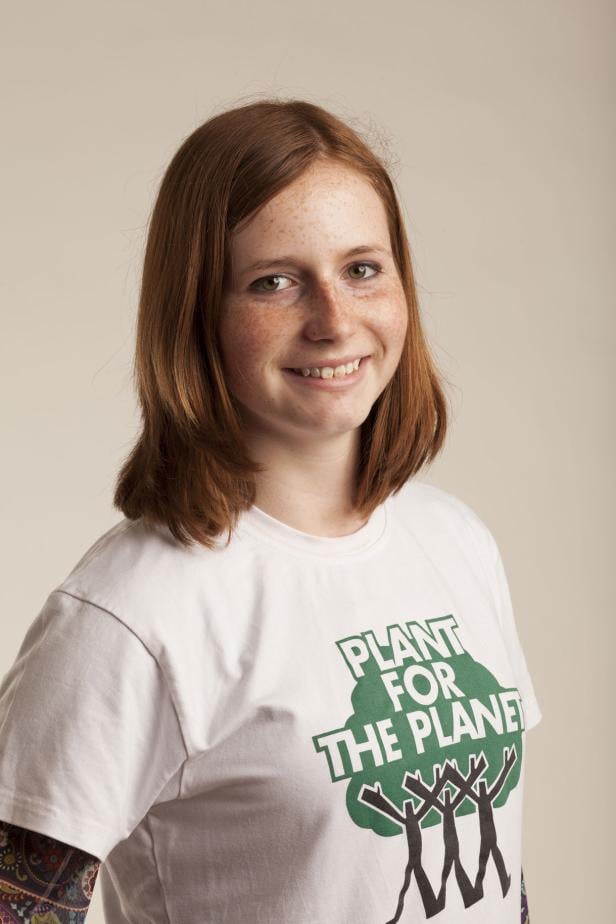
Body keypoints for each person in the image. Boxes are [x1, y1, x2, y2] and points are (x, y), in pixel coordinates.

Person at [0, 98, 540, 923]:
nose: (334, 319)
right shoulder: (131, 614)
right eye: (274, 283)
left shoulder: (455, 540)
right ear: (197, 315)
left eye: (363, 268)